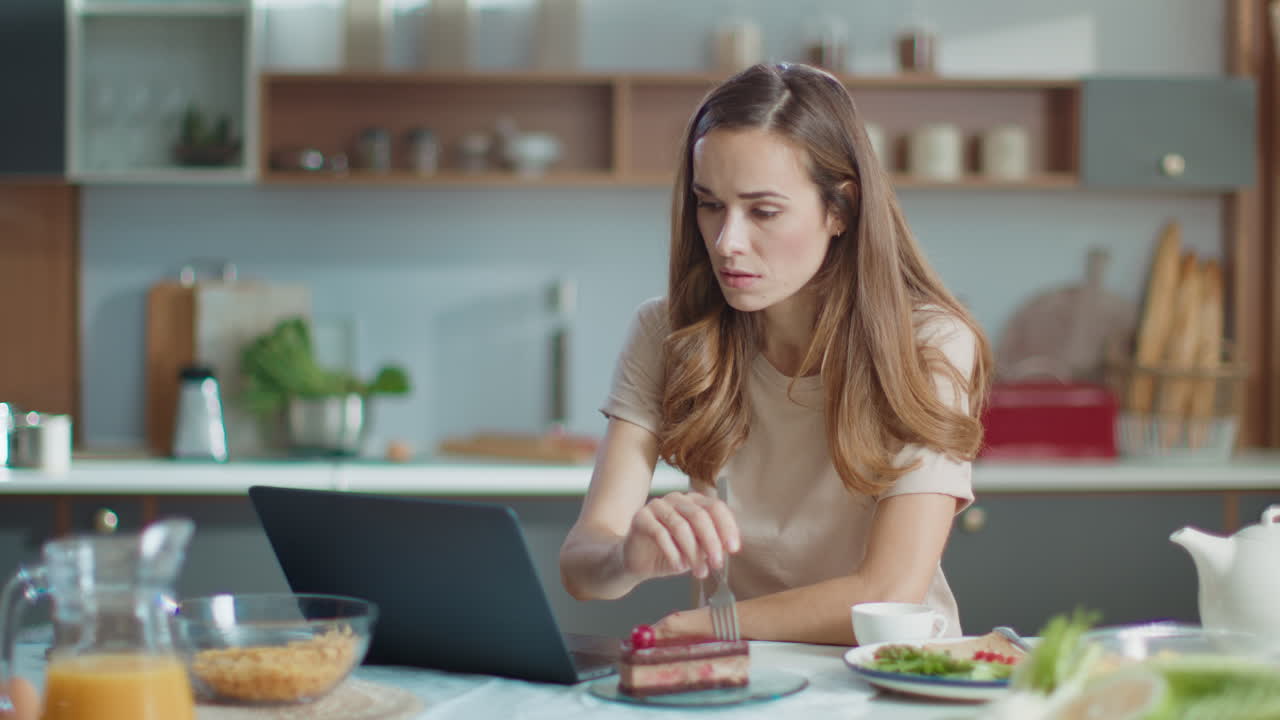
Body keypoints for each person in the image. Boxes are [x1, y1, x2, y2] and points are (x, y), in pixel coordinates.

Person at [558, 62, 992, 646]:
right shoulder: (668, 330)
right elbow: (584, 567)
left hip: (893, 682)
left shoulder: (929, 343)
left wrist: (708, 626)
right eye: (709, 204)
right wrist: (627, 558)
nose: (727, 242)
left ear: (840, 209)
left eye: (763, 211)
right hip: (741, 685)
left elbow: (890, 587)